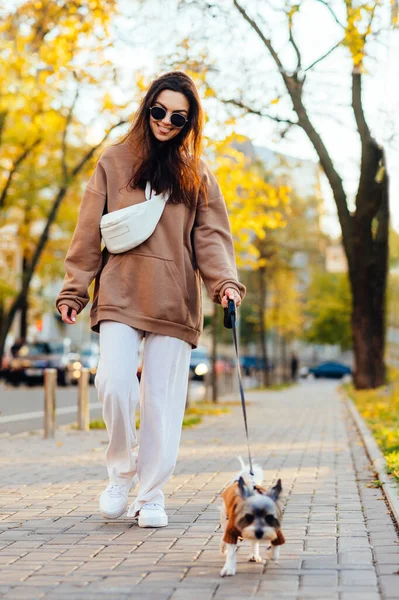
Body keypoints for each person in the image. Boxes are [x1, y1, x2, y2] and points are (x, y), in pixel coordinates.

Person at [55, 71, 246, 528]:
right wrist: (74, 289)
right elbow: (88, 230)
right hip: (120, 290)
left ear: (188, 122)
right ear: (147, 108)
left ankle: (151, 494)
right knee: (114, 384)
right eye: (159, 111)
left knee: (161, 402)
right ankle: (122, 471)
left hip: (174, 300)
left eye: (178, 117)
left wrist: (225, 284)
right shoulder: (114, 161)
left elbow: (212, 238)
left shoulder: (197, 174)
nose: (166, 121)